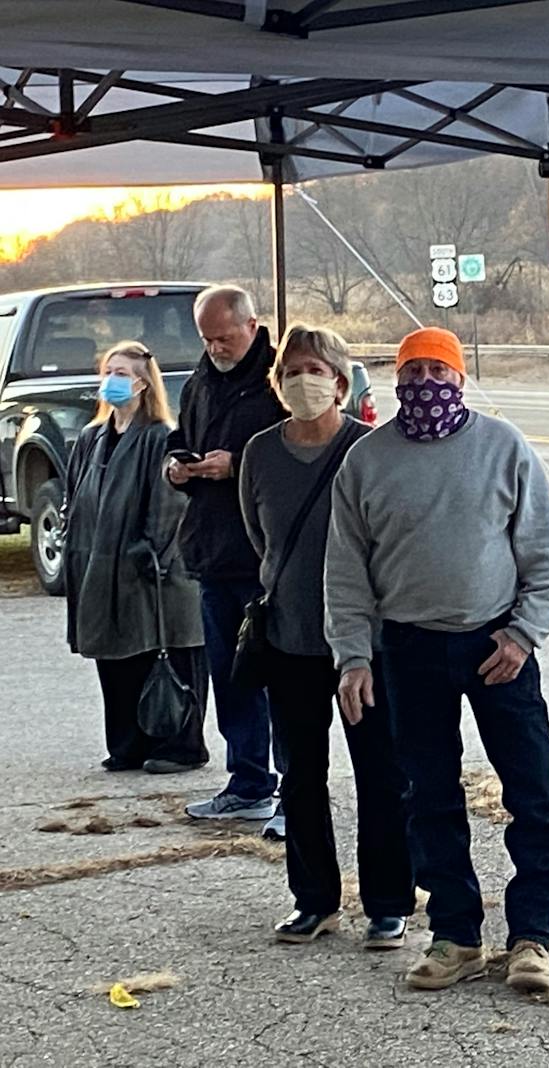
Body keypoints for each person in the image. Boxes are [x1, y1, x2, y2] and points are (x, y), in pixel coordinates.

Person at [325, 326, 549, 996]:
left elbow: (546, 560)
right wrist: (352, 656)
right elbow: (345, 573)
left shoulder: (504, 447)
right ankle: (456, 933)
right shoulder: (367, 462)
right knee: (427, 796)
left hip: (498, 646)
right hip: (408, 647)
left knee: (534, 793)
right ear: (395, 380)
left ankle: (531, 937)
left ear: (460, 377)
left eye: (439, 369)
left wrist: (523, 636)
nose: (426, 381)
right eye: (413, 370)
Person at [239, 324, 413, 948]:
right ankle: (313, 899)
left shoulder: (371, 450)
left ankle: (389, 902)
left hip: (365, 647)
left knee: (380, 773)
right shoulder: (260, 452)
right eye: (291, 370)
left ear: (341, 381)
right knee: (302, 775)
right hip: (290, 641)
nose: (302, 381)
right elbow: (261, 540)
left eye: (315, 370)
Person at [167, 285, 288, 834]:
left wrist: (237, 465)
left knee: (283, 678)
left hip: (266, 556)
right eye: (207, 338)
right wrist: (178, 464)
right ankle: (247, 783)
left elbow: (299, 452)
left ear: (252, 324)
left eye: (224, 336)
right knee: (231, 676)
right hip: (212, 550)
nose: (216, 347)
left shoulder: (279, 380)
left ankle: (295, 788)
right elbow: (180, 434)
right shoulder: (199, 382)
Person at [63, 341, 208, 774]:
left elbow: (169, 504)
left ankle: (178, 744)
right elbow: (76, 496)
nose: (112, 381)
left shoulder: (158, 437)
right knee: (117, 656)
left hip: (151, 568)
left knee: (162, 654)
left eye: (122, 373)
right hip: (100, 564)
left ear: (144, 384)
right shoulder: (92, 438)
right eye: (108, 371)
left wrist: (153, 549)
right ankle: (127, 743)